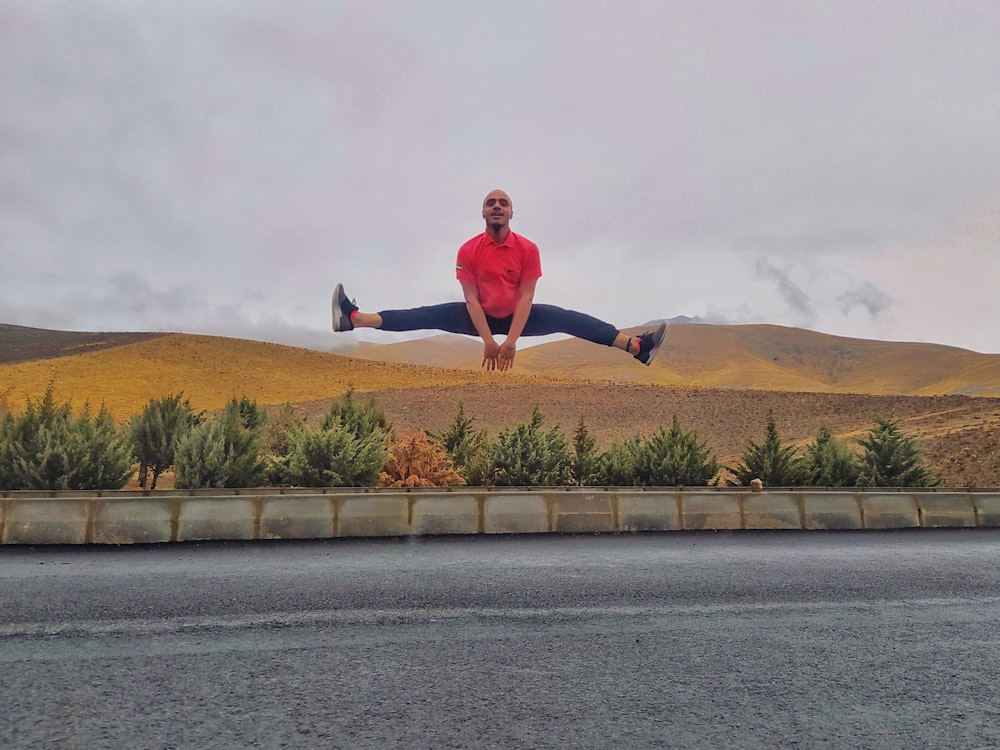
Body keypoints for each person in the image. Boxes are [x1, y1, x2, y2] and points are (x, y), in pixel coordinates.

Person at [332, 189, 666, 372]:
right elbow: (471, 301)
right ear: (482, 213)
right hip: (478, 314)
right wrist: (489, 341)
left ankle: (636, 347)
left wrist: (509, 343)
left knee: (568, 319)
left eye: (502, 203)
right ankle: (353, 319)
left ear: (511, 213)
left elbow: (526, 299)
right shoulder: (468, 250)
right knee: (425, 314)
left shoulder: (527, 249)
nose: (496, 207)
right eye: (490, 203)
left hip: (518, 314)